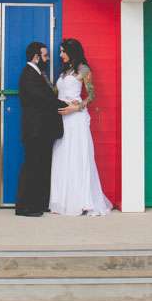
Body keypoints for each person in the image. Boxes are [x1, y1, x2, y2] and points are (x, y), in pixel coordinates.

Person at [49, 38, 112, 216]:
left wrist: (76, 107)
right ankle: (63, 202)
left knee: (78, 157)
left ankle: (83, 201)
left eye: (63, 51)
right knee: (62, 157)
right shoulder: (64, 72)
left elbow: (91, 95)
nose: (60, 55)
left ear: (72, 52)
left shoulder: (84, 69)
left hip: (76, 118)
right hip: (62, 119)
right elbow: (56, 92)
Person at [15, 41, 71, 217]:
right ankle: (24, 207)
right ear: (36, 57)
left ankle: (37, 204)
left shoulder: (37, 74)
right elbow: (44, 99)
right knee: (32, 168)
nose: (48, 59)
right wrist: (67, 105)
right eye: (45, 56)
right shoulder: (29, 75)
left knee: (39, 167)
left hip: (41, 131)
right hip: (35, 130)